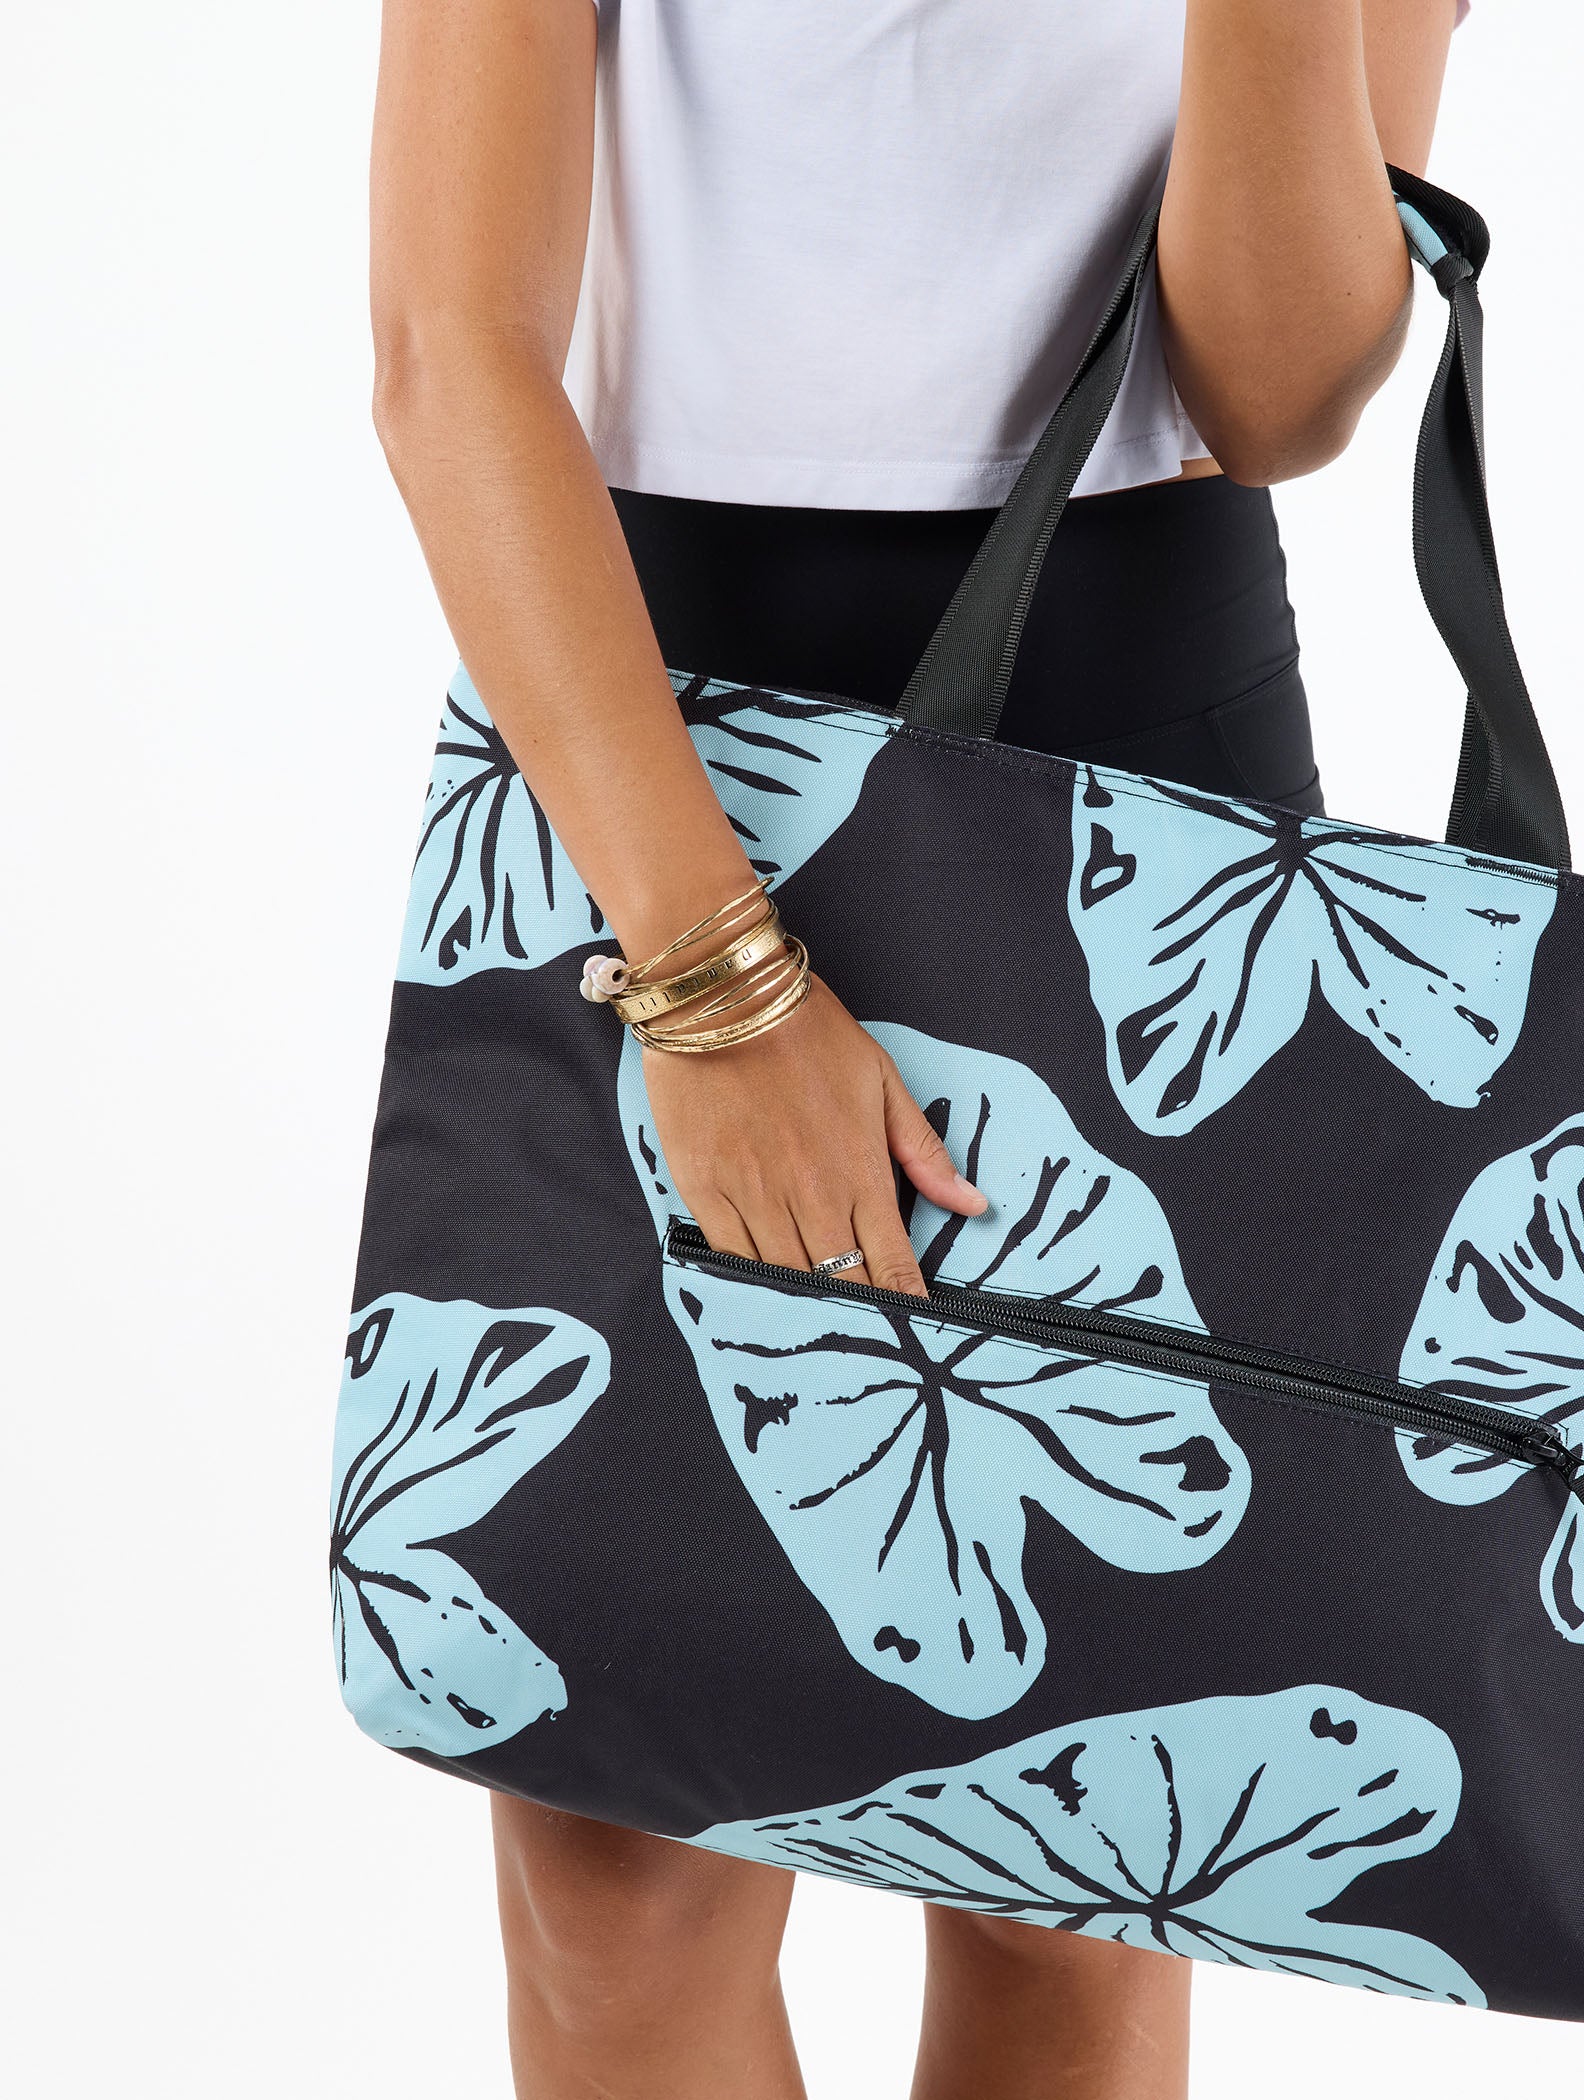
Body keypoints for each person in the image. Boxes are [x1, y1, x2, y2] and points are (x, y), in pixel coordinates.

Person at [369, 2, 1461, 2091]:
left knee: (1066, 1891)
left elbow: (1275, 392)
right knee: (614, 1881)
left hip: (1131, 735)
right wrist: (715, 976)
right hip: (648, 711)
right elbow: (448, 349)